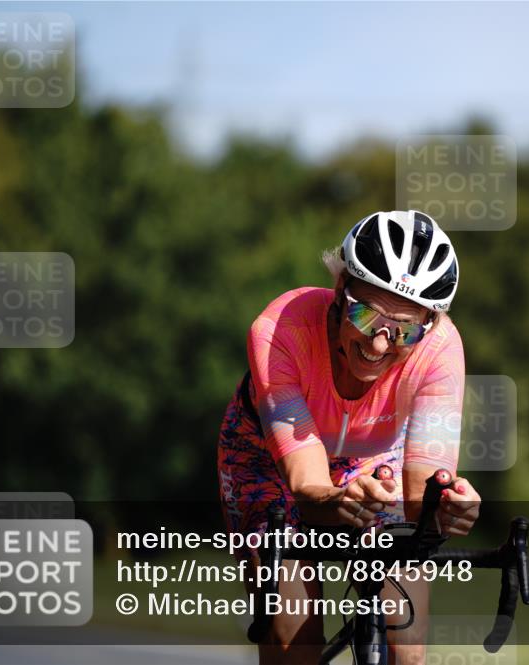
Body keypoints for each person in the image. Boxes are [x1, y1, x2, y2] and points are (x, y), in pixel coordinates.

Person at [218, 210, 481, 664]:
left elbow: (422, 495)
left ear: (429, 325)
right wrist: (332, 499)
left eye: (403, 330)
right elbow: (306, 484)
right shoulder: (280, 330)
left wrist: (447, 508)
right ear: (341, 290)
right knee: (293, 638)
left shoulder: (440, 350)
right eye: (365, 315)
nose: (379, 345)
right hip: (267, 463)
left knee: (405, 644)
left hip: (371, 465)